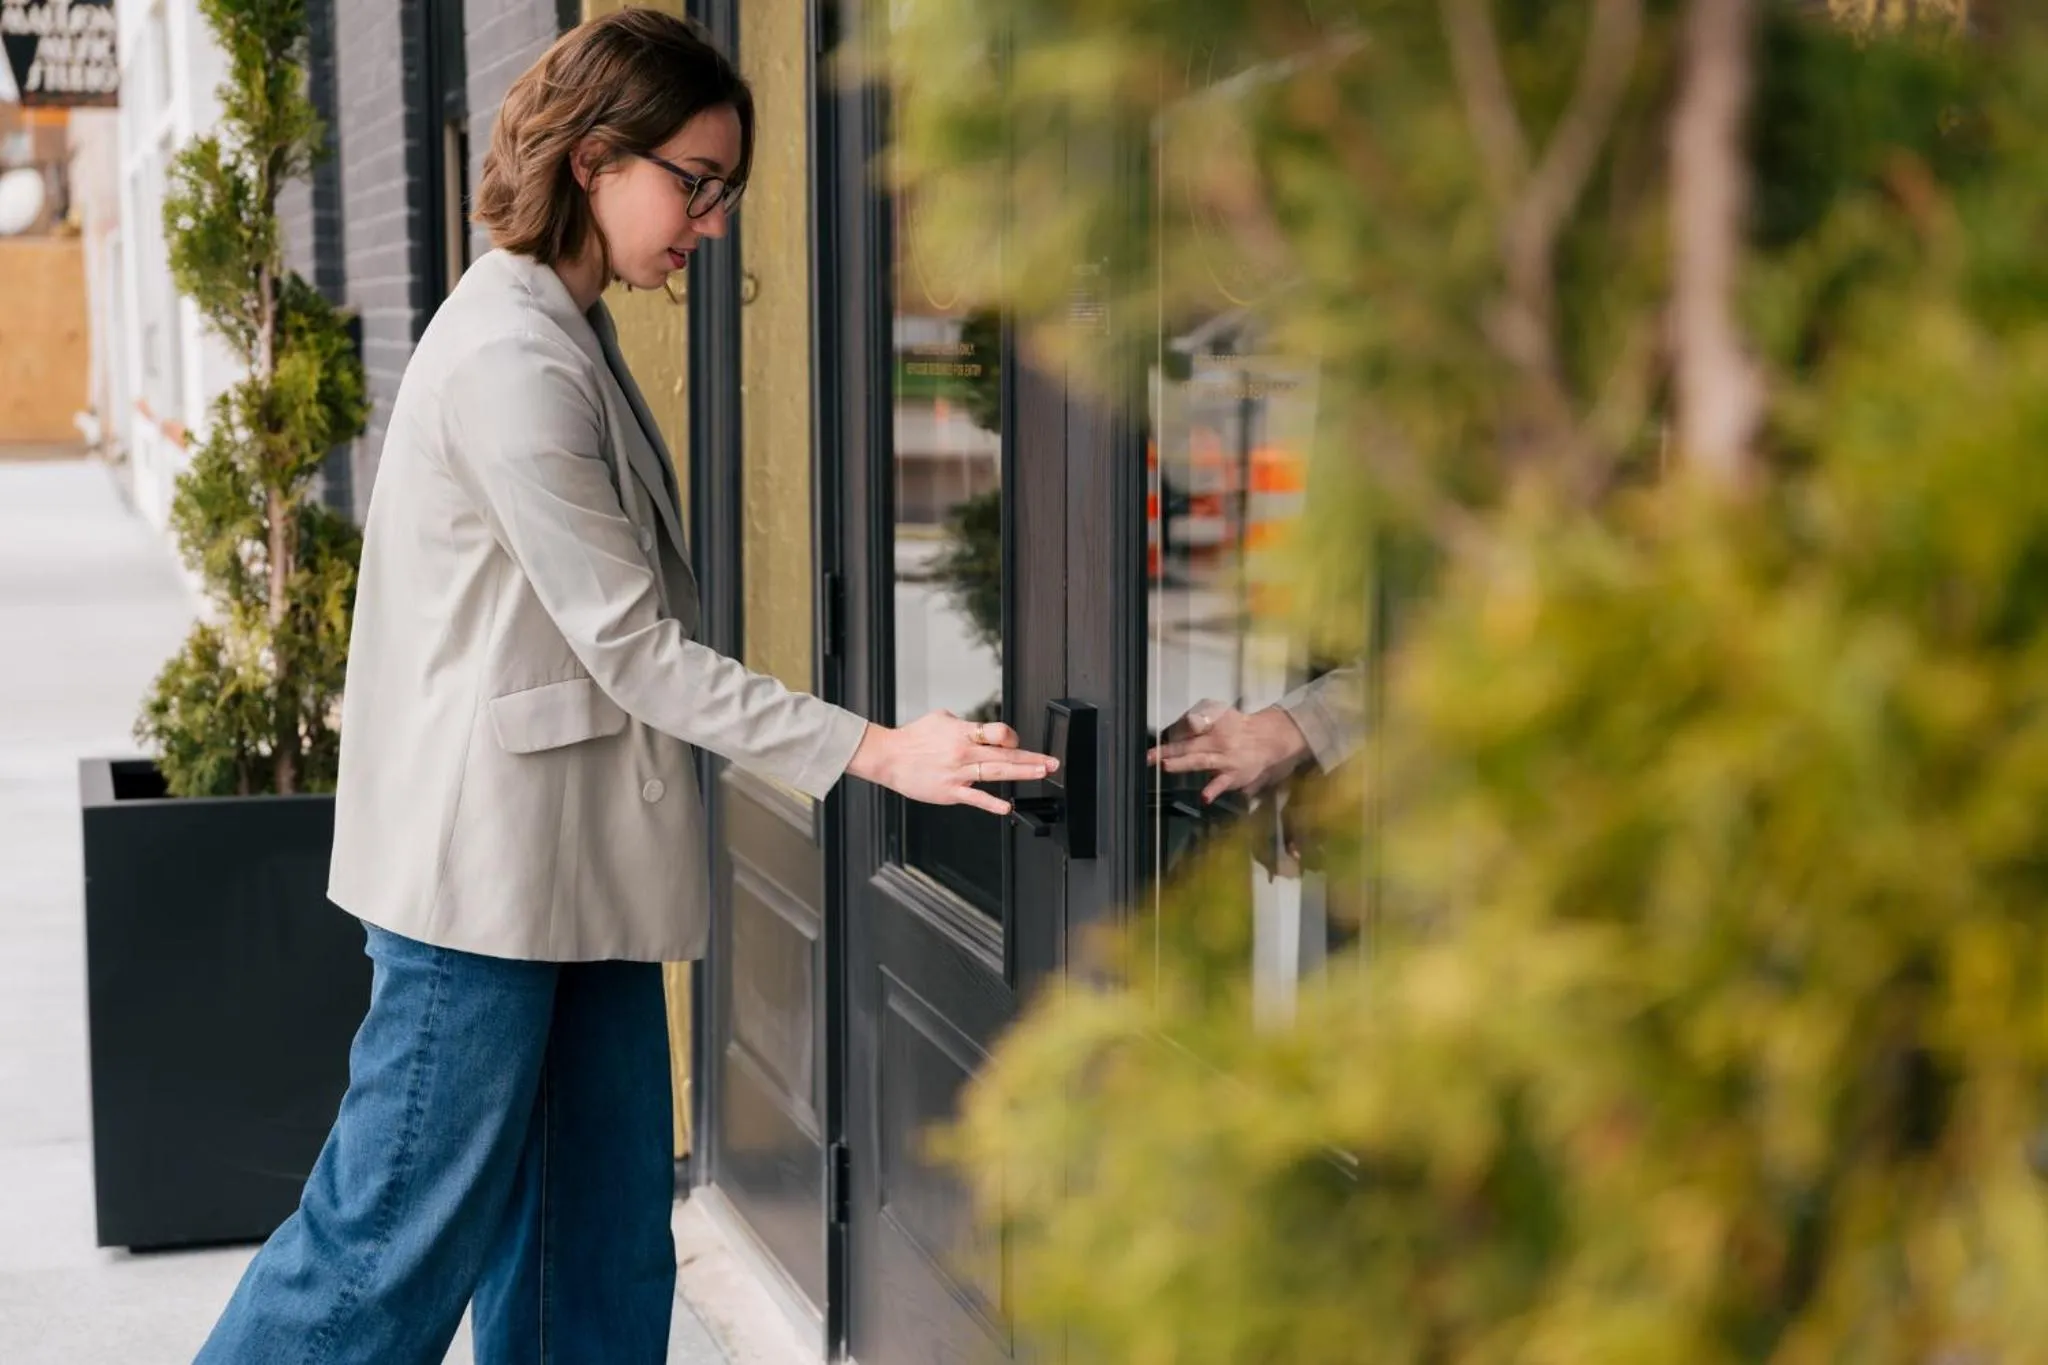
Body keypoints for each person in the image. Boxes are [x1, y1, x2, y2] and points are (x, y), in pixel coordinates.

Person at [193, 13, 1055, 1363]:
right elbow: (637, 649)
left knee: (590, 1258)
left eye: (728, 192)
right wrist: (882, 752)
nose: (711, 220)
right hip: (479, 894)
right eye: (695, 182)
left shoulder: (562, 327)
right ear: (595, 159)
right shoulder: (513, 356)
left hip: (568, 881)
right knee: (382, 1257)